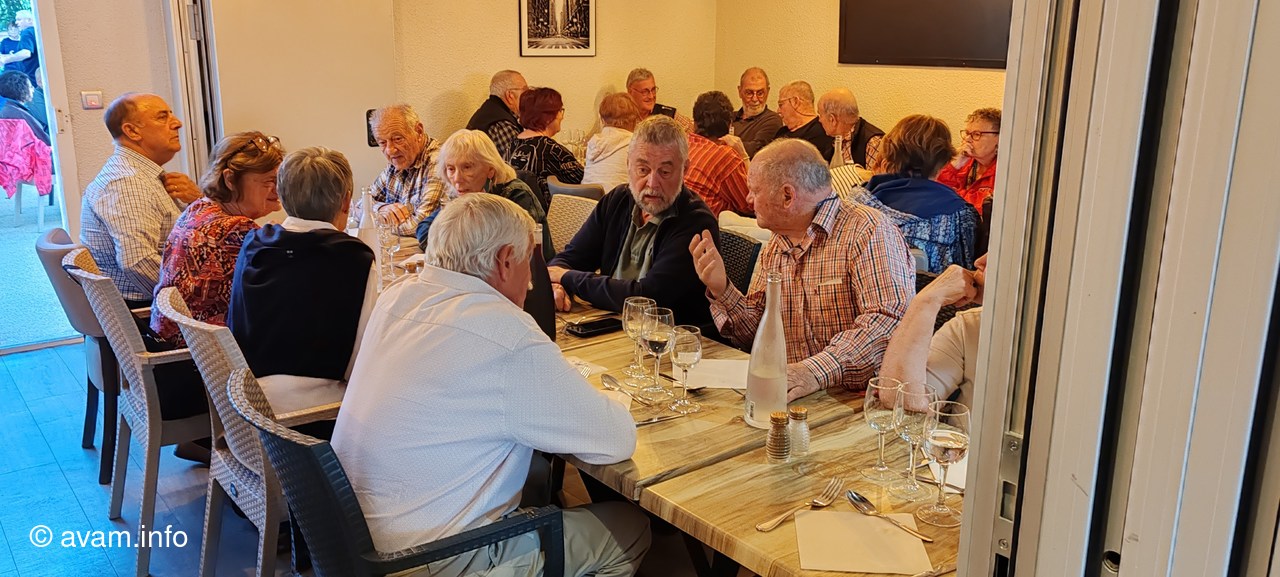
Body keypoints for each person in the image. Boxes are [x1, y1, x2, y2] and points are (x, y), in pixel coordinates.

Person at [332, 193, 650, 577]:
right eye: (529, 262)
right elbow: (616, 439)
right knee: (629, 528)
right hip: (430, 560)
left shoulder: (396, 296)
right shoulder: (506, 333)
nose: (531, 282)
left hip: (353, 544)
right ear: (505, 261)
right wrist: (610, 397)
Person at [688, 139, 915, 399]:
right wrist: (722, 289)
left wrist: (814, 372)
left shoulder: (867, 230)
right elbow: (757, 336)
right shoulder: (779, 242)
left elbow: (887, 324)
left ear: (787, 196)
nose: (748, 199)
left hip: (857, 403)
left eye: (754, 190)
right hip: (794, 397)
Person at [228, 147, 376, 416]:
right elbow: (362, 360)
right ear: (346, 201)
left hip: (244, 400)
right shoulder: (354, 258)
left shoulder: (255, 242)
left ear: (281, 196)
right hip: (313, 412)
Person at [548, 115, 719, 328]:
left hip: (672, 339)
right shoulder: (617, 201)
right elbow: (567, 259)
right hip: (614, 328)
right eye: (643, 170)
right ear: (628, 164)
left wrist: (567, 278)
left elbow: (647, 299)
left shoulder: (696, 223)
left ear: (685, 169)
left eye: (665, 172)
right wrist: (558, 286)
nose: (652, 183)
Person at [149, 132, 284, 344]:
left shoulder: (198, 208)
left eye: (281, 180)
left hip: (181, 344)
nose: (278, 189)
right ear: (230, 179)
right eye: (270, 181)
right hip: (206, 354)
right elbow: (288, 287)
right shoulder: (235, 229)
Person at [80, 93, 202, 307]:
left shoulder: (138, 175)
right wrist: (195, 298)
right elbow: (137, 262)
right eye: (162, 117)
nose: (177, 123)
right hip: (147, 309)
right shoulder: (129, 183)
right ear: (132, 131)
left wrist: (198, 201)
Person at [851, 115, 980, 273]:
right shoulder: (959, 214)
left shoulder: (855, 202)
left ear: (891, 153)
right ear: (943, 160)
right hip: (932, 288)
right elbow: (966, 272)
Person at [416, 129, 553, 259]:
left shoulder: (515, 195)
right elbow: (424, 230)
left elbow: (515, 254)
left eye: (467, 167)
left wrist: (454, 245)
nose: (457, 178)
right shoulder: (460, 195)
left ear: (490, 170)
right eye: (451, 169)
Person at [880, 254, 988, 411]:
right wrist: (926, 301)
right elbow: (901, 402)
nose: (979, 261)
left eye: (1000, 249)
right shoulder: (965, 327)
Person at [364, 103, 445, 238]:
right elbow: (361, 204)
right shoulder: (396, 163)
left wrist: (376, 220)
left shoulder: (438, 162)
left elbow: (419, 225)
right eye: (382, 142)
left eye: (397, 139)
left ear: (418, 132)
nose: (390, 150)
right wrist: (382, 208)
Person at [506, 86, 583, 208]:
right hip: (547, 215)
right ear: (548, 118)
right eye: (559, 111)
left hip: (515, 212)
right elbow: (583, 181)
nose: (562, 116)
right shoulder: (552, 150)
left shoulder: (512, 144)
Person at [686, 91, 752, 216]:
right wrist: (744, 156)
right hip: (698, 224)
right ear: (729, 125)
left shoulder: (684, 143)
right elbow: (751, 203)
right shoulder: (726, 156)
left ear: (695, 122)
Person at [937, 107, 1001, 211]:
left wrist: (952, 197)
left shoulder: (1004, 171)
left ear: (999, 137)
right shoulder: (963, 162)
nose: (967, 139)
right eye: (967, 133)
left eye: (976, 134)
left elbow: (981, 208)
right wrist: (955, 165)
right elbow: (936, 193)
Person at [582, 92, 641, 192]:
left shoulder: (593, 143)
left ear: (603, 120)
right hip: (617, 200)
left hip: (586, 200)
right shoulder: (635, 145)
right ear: (635, 120)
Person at [816, 88, 884, 169]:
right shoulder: (832, 139)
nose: (819, 120)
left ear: (832, 119)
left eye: (820, 115)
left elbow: (876, 176)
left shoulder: (873, 143)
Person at [465, 70, 527, 159]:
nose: (528, 96)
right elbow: (520, 161)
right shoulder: (502, 124)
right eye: (525, 90)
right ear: (510, 95)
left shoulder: (490, 111)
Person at [773, 81, 834, 162]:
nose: (778, 111)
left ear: (795, 102)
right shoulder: (782, 131)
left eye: (781, 104)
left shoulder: (821, 132)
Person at [731, 67, 782, 158]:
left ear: (768, 92)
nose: (755, 99)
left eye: (760, 93)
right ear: (740, 92)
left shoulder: (772, 120)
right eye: (749, 93)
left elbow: (756, 150)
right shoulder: (729, 117)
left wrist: (724, 143)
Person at [625, 68, 695, 133]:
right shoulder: (622, 119)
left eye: (653, 90)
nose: (651, 96)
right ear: (630, 92)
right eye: (645, 92)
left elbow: (695, 130)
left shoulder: (667, 115)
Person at [0, 69, 47, 143]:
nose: (33, 89)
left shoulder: (9, 109)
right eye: (30, 86)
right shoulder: (17, 113)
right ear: (21, 89)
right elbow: (44, 140)